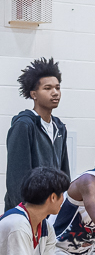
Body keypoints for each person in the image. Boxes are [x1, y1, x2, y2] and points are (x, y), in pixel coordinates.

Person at [5, 58, 72, 211]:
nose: (55, 92)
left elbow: (64, 173)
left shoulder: (59, 127)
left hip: (50, 212)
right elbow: (16, 178)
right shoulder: (24, 125)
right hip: (27, 212)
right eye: (47, 88)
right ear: (34, 94)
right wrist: (25, 213)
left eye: (57, 88)